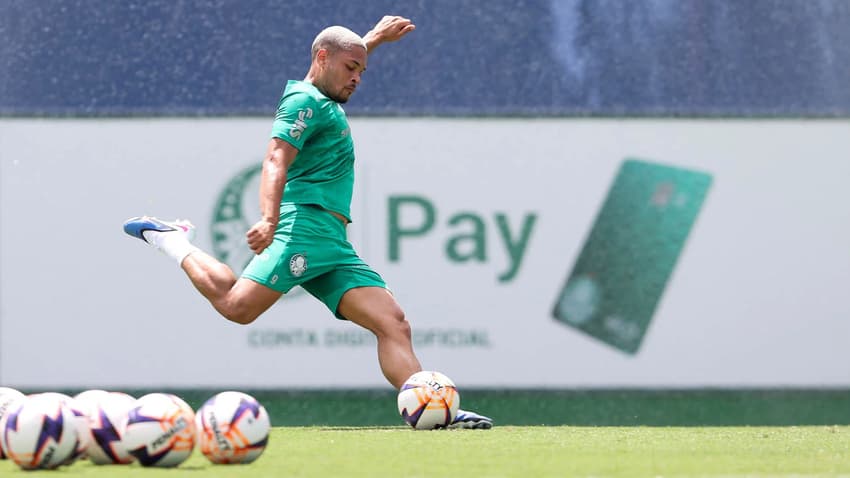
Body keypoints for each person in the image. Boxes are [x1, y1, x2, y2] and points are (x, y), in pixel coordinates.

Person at [123, 15, 492, 429]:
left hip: (331, 241)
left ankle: (434, 413)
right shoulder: (304, 102)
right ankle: (173, 240)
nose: (357, 78)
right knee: (237, 307)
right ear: (322, 58)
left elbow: (344, 54)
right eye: (351, 69)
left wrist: (373, 39)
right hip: (302, 229)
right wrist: (269, 218)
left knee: (393, 323)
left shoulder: (327, 92)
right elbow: (275, 159)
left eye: (361, 71)